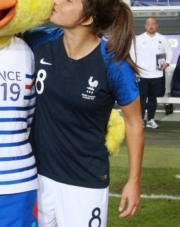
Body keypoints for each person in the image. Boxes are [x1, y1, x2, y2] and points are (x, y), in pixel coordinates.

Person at [24, 0, 144, 226]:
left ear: (88, 18)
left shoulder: (114, 65)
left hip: (84, 182)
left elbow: (135, 123)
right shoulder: (38, 39)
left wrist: (133, 181)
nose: (57, 2)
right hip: (35, 176)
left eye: (69, 0)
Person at [131, 18, 173, 129]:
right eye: (149, 24)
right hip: (142, 75)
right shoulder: (138, 39)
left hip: (157, 74)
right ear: (145, 26)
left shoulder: (162, 39)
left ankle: (150, 120)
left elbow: (169, 52)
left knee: (153, 98)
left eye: (153, 24)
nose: (151, 26)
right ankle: (140, 120)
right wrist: (135, 69)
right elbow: (132, 55)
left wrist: (167, 63)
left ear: (157, 26)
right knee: (142, 98)